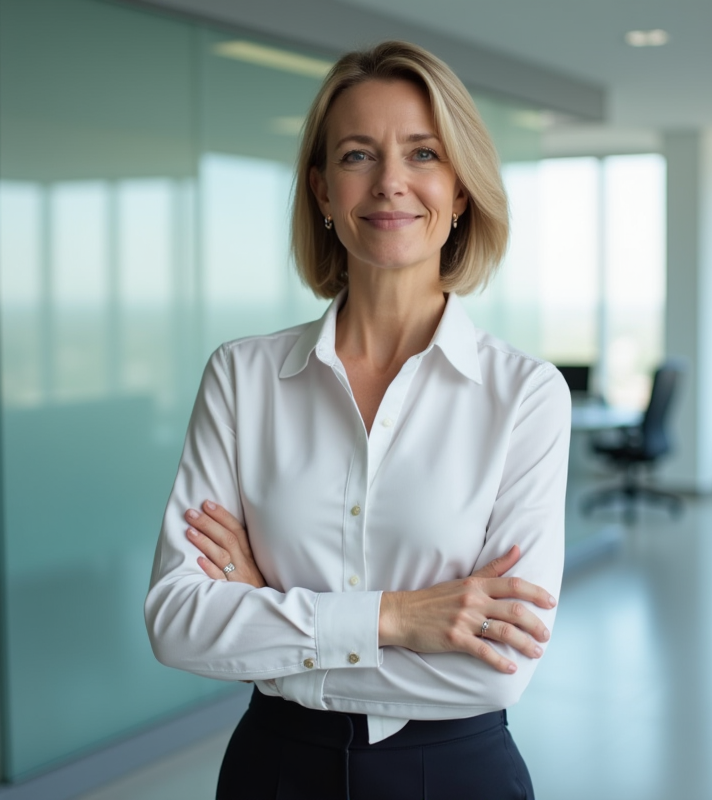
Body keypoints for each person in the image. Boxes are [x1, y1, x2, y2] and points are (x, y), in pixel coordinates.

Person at [144, 40, 571, 800]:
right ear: (321, 191)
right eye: (356, 156)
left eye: (423, 153)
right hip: (273, 769)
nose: (390, 184)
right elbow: (179, 619)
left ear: (461, 190)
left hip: (455, 774)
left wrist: (266, 607)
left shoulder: (525, 395)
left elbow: (495, 672)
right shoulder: (243, 379)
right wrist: (403, 618)